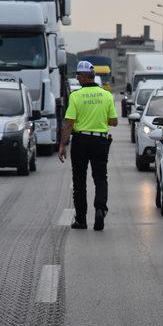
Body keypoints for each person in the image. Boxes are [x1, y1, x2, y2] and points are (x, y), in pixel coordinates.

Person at [59, 61, 118, 231]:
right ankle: (100, 208)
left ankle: (81, 220)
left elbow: (69, 123)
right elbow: (113, 121)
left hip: (80, 141)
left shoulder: (76, 96)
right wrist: (99, 119)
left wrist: (62, 145)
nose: (77, 77)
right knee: (100, 177)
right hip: (100, 141)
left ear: (84, 77)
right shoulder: (106, 95)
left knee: (79, 180)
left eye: (78, 74)